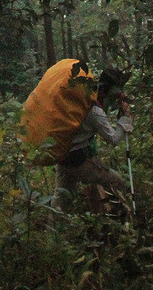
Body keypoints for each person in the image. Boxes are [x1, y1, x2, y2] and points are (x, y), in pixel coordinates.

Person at [55, 67, 133, 213]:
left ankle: (54, 223)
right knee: (117, 181)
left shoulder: (83, 99)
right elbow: (114, 139)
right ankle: (121, 216)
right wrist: (126, 118)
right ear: (104, 90)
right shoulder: (94, 110)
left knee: (61, 199)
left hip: (61, 154)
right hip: (78, 159)